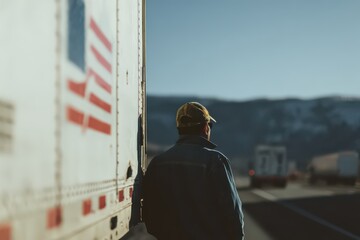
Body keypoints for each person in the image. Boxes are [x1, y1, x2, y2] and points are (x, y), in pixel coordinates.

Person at [143, 102, 244, 240]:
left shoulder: (157, 163)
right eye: (210, 125)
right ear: (205, 127)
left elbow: (149, 213)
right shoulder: (216, 161)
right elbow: (232, 212)